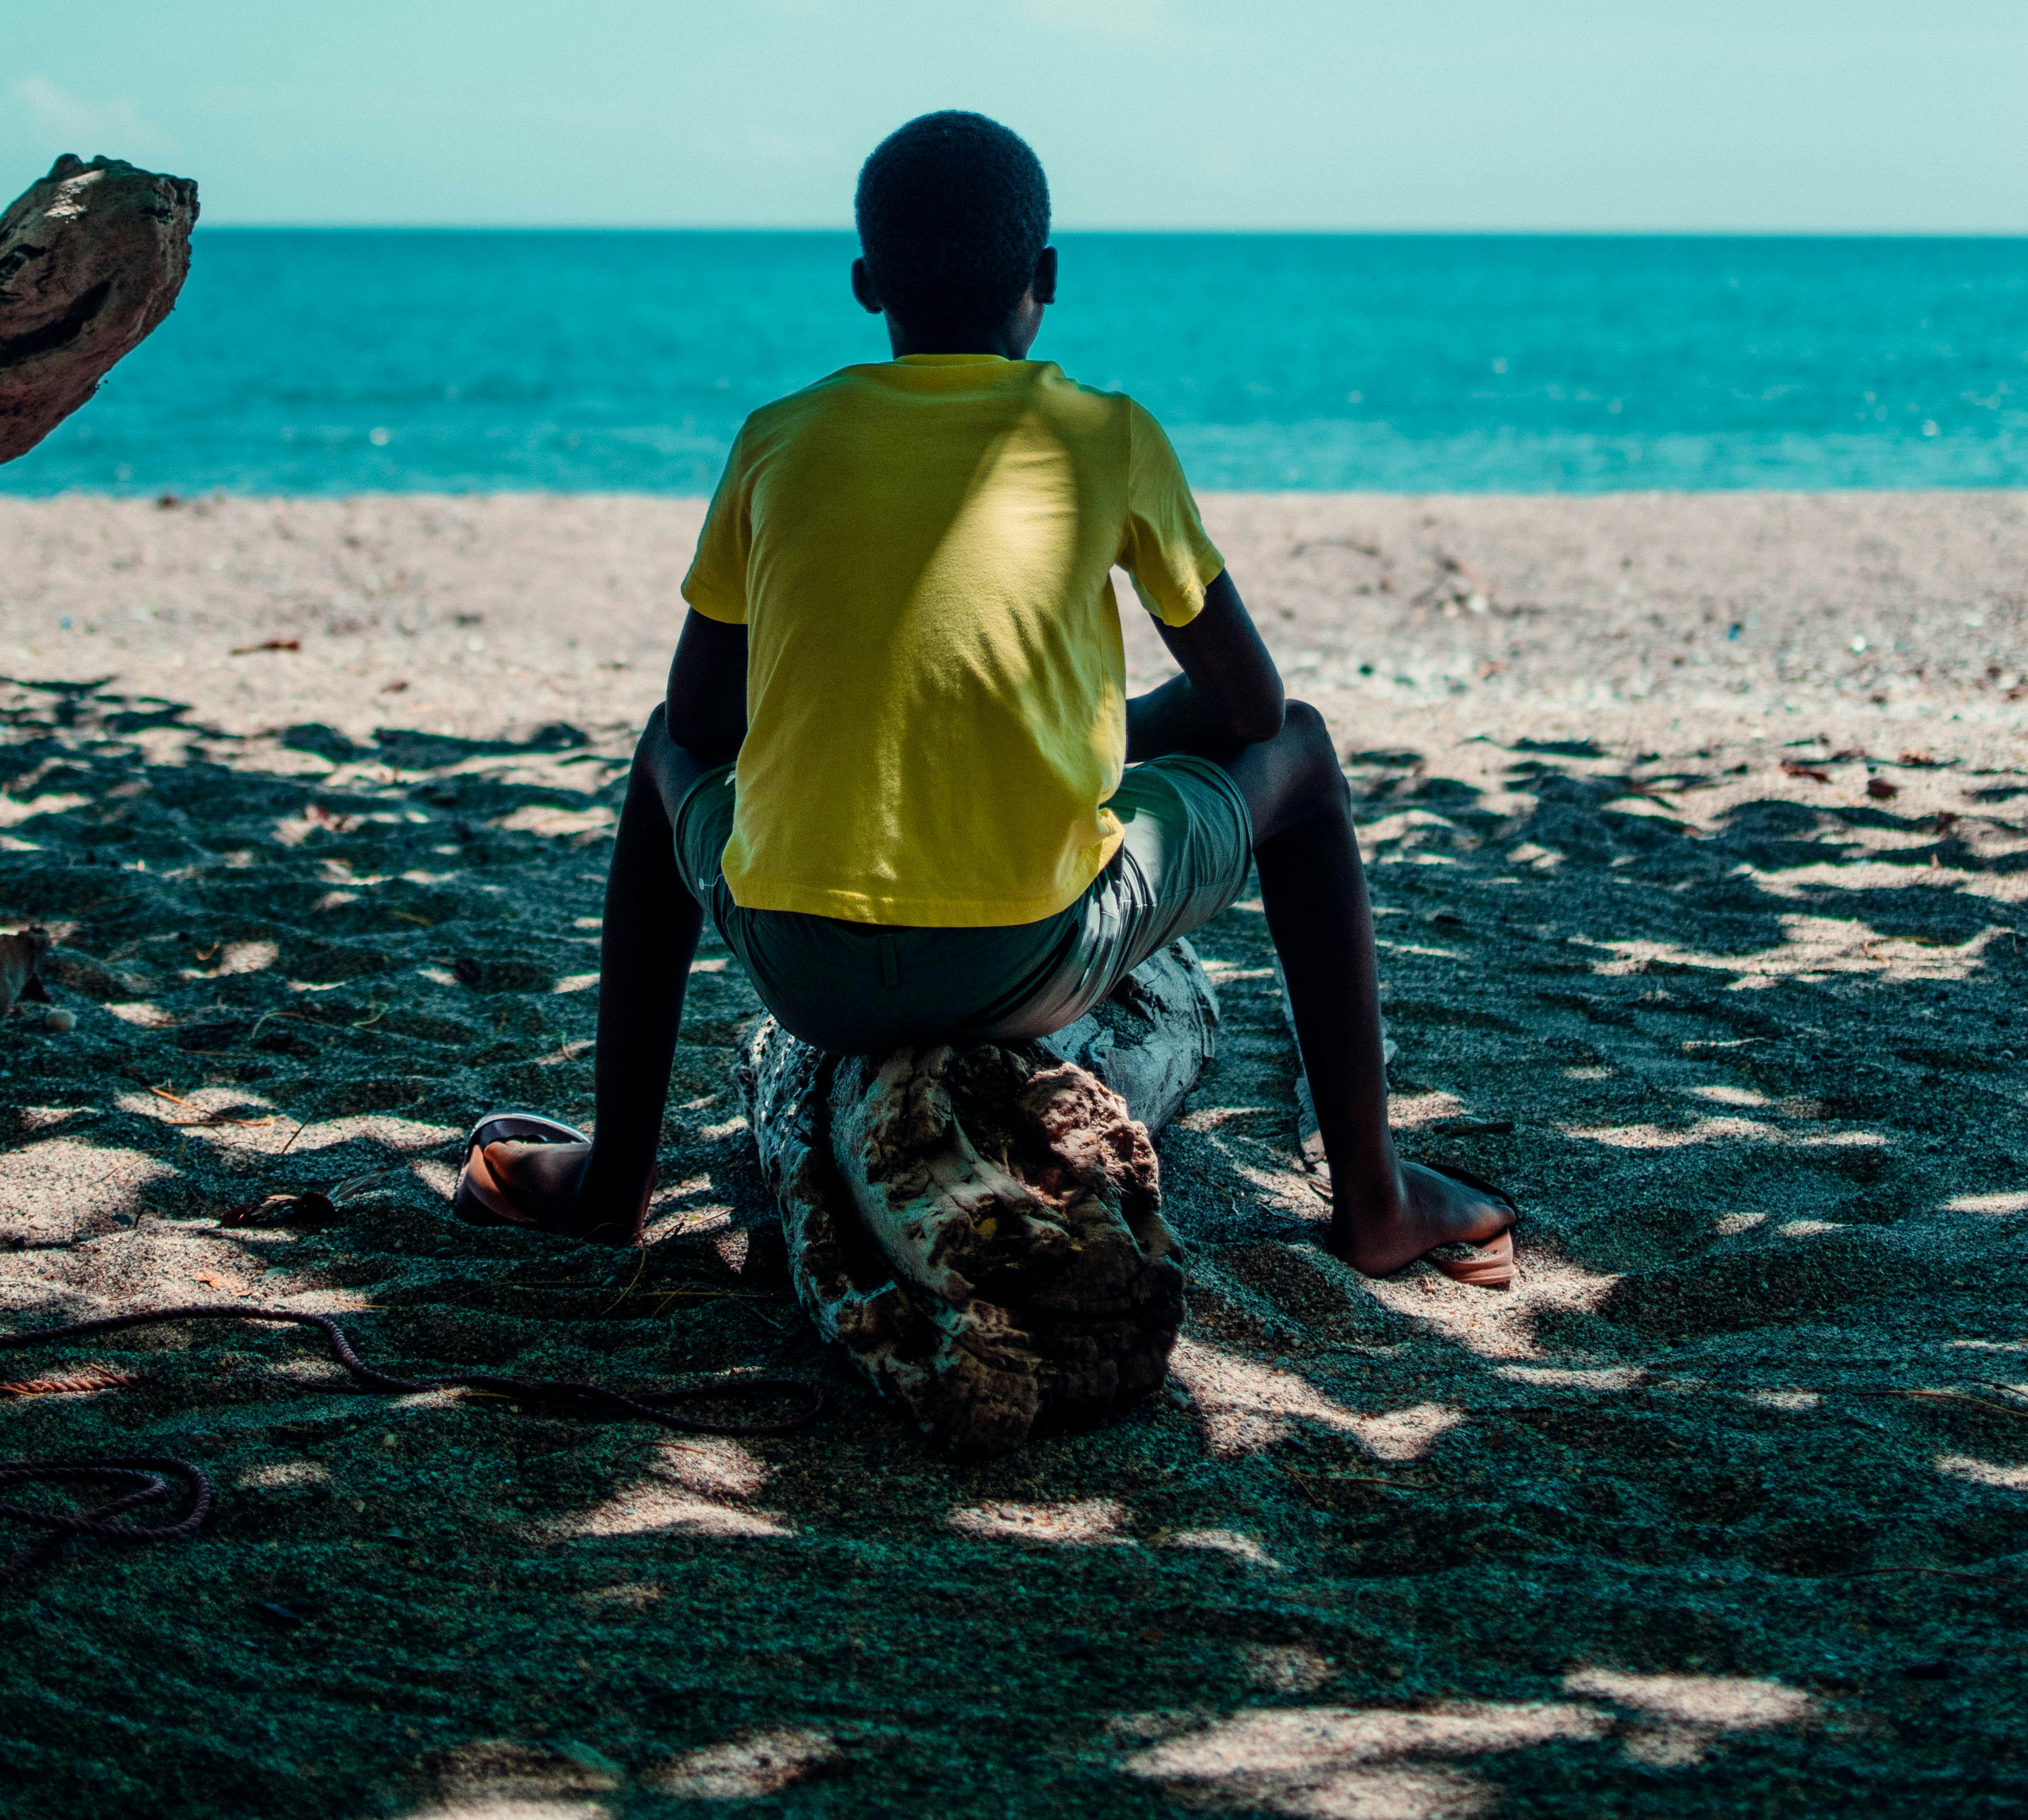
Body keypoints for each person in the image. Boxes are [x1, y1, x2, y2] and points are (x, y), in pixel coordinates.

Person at [455, 110, 1515, 1284]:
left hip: (800, 966)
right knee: (1305, 759)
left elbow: (701, 725)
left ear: (866, 286)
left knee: (659, 754)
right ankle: (1374, 1197)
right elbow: (1253, 707)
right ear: (1044, 281)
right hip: (1026, 957)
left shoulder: (775, 442)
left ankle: (613, 1181)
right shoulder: (1105, 437)